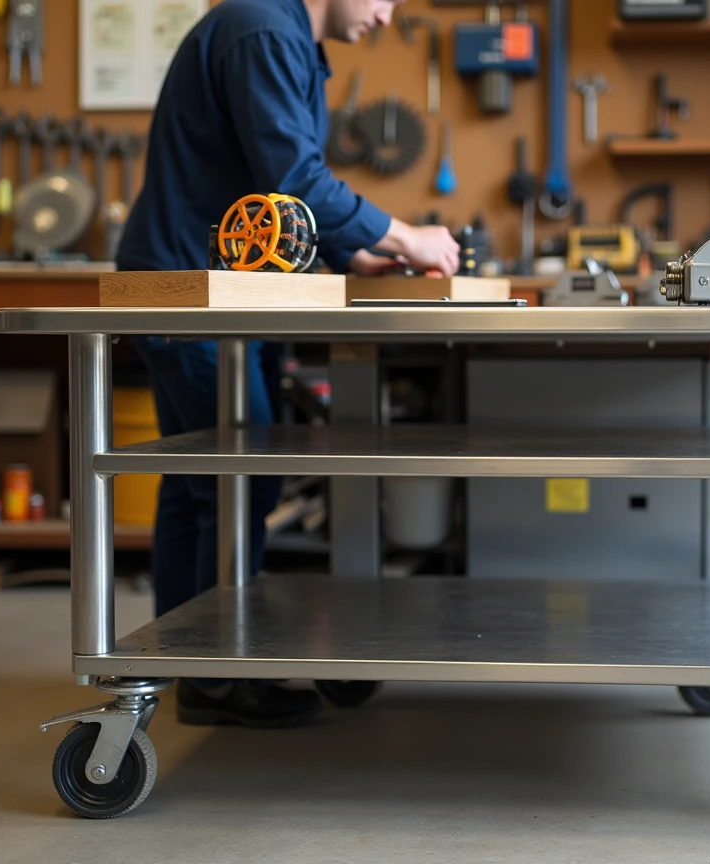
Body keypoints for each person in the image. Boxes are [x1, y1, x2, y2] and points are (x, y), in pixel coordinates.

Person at [115, 0, 461, 728]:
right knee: (239, 478)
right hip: (194, 288)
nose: (388, 14)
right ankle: (217, 675)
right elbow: (296, 178)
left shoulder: (280, 35)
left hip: (219, 284)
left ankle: (188, 665)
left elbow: (277, 196)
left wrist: (356, 250)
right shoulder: (263, 29)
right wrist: (406, 237)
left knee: (199, 478)